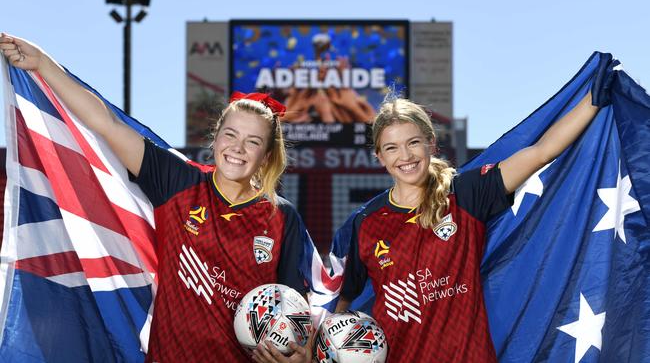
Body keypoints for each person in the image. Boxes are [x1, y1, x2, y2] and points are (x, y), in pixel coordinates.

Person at [0, 33, 313, 363]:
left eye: (252, 142)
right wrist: (43, 65)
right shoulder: (177, 180)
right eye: (230, 134)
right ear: (216, 138)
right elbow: (105, 123)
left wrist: (301, 356)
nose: (237, 148)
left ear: (265, 156)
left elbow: (295, 307)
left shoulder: (281, 217)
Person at [332, 57, 615, 362]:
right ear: (379, 156)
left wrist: (591, 103)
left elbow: (540, 153)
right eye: (391, 147)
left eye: (413, 142)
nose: (405, 155)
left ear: (430, 143)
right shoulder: (366, 223)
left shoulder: (465, 194)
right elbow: (342, 300)